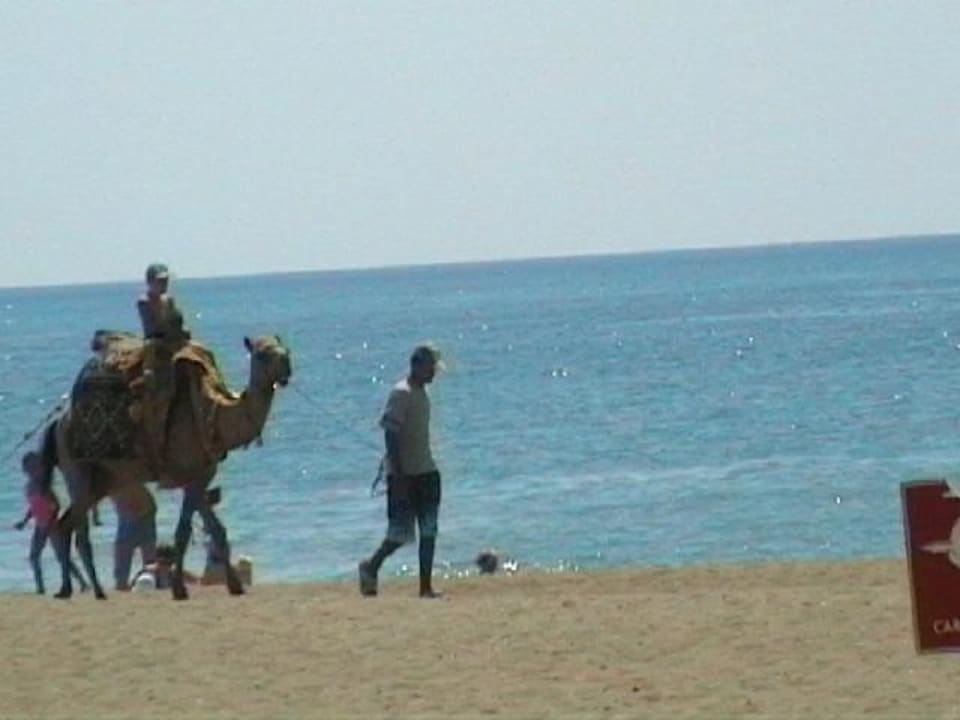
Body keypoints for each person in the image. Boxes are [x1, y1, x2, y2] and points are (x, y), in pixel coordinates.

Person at [359, 345, 444, 598]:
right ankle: (371, 567)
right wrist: (399, 474)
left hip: (427, 471)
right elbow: (390, 434)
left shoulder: (421, 394)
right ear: (417, 366)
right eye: (430, 368)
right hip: (405, 475)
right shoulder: (401, 393)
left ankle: (425, 587)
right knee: (399, 534)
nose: (433, 374)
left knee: (429, 530)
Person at [136, 263, 189, 474]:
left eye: (165, 280)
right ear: (150, 282)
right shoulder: (144, 302)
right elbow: (153, 328)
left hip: (174, 343)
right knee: (158, 383)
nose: (163, 284)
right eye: (159, 281)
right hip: (156, 346)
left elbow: (179, 324)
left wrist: (181, 331)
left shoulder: (170, 301)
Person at [12, 451, 88, 595]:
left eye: (35, 468)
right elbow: (33, 508)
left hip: (53, 527)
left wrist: (52, 522)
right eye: (29, 469)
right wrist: (24, 521)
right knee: (34, 557)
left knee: (62, 557)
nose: (33, 472)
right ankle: (40, 588)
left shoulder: (45, 487)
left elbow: (57, 505)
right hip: (40, 526)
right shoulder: (29, 487)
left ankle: (83, 583)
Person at [112, 482, 158, 591]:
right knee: (124, 550)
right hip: (134, 514)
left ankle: (125, 583)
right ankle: (122, 583)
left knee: (127, 549)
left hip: (140, 514)